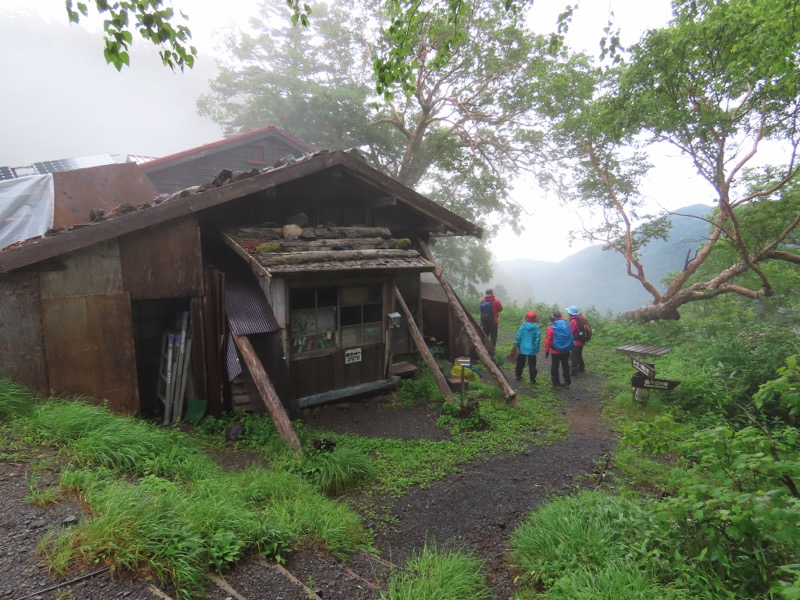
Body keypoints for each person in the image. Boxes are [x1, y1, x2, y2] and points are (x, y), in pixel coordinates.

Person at [545, 310, 573, 389]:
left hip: (555, 351)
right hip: (566, 350)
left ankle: (556, 384)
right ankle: (567, 382)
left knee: (555, 367)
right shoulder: (566, 324)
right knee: (565, 365)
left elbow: (548, 340)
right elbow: (570, 336)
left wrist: (547, 350)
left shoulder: (551, 327)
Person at [514, 310, 540, 384]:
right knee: (532, 365)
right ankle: (532, 379)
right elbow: (537, 340)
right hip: (532, 349)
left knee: (520, 362)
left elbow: (518, 336)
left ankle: (518, 375)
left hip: (522, 348)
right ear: (535, 318)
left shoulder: (523, 326)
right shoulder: (536, 328)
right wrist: (537, 349)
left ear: (526, 318)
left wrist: (517, 345)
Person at [566, 305, 587, 376]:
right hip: (581, 341)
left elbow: (571, 332)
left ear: (570, 313)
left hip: (575, 343)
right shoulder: (579, 319)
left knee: (573, 356)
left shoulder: (573, 321)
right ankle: (581, 368)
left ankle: (574, 371)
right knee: (579, 355)